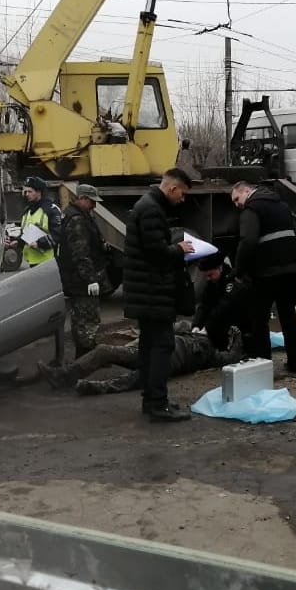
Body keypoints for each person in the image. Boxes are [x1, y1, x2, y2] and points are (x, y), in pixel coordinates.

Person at [123, 168, 195, 421]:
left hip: (147, 292)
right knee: (162, 346)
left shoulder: (147, 205)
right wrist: (179, 248)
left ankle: (152, 400)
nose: (182, 200)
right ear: (173, 189)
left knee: (150, 345)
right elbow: (156, 253)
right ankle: (157, 404)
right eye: (183, 194)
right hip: (152, 292)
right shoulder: (152, 209)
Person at [31, 321, 241, 395]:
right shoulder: (187, 328)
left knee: (134, 380)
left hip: (164, 363)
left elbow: (232, 357)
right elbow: (166, 325)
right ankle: (64, 376)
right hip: (150, 351)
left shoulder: (210, 353)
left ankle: (92, 387)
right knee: (105, 350)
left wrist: (238, 338)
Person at [231, 180, 296, 374]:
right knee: (288, 316)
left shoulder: (251, 209)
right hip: (290, 270)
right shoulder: (282, 205)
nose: (237, 204)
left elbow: (247, 242)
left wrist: (238, 271)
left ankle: (262, 366)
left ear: (247, 191)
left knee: (259, 318)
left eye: (237, 199)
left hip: (267, 272)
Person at [56, 183, 109, 358]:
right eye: (92, 201)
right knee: (86, 320)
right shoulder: (77, 219)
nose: (94, 205)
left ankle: (88, 355)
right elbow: (80, 253)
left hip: (77, 278)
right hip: (80, 281)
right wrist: (90, 279)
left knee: (84, 319)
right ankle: (86, 359)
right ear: (82, 199)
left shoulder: (79, 215)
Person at [192, 253, 249, 351]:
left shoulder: (233, 281)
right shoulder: (212, 283)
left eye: (210, 275)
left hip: (238, 326)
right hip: (220, 326)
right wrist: (196, 325)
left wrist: (207, 328)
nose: (208, 279)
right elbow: (204, 304)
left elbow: (224, 306)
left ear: (220, 268)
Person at [18, 176, 56, 268]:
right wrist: (17, 242)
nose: (26, 194)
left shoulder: (51, 210)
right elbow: (25, 233)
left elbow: (58, 235)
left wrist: (39, 243)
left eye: (30, 191)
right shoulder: (27, 211)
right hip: (32, 262)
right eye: (25, 191)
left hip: (48, 262)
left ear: (39, 192)